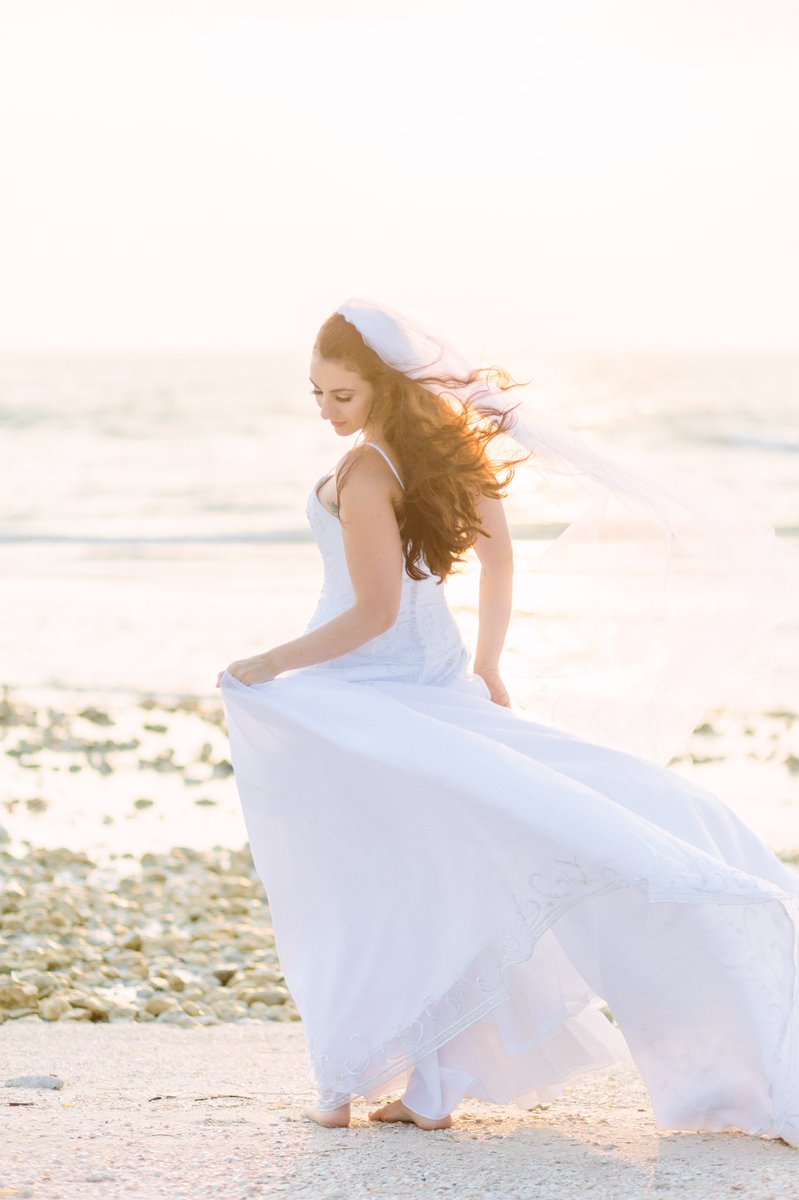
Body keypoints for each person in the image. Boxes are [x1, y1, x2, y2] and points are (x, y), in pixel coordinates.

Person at [217, 300, 799, 1144]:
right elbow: (496, 556)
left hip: (370, 689)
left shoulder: (366, 473)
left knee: (359, 881)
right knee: (431, 878)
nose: (326, 411)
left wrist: (269, 662)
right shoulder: (445, 457)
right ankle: (426, 1087)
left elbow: (375, 612)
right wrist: (485, 663)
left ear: (382, 386)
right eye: (315, 394)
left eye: (340, 395)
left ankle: (347, 1084)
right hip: (430, 682)